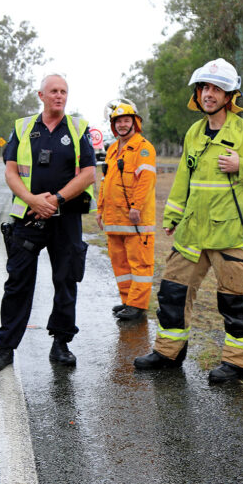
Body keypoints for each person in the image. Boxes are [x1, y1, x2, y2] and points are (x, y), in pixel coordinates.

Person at [133, 58, 243, 383]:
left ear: (229, 96)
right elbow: (184, 179)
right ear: (197, 94)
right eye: (204, 88)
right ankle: (168, 353)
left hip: (231, 235)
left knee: (234, 301)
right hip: (192, 233)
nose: (209, 94)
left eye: (217, 89)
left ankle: (238, 363)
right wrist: (172, 215)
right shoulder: (194, 133)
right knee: (173, 293)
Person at [0, 74, 96, 373]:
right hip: (28, 218)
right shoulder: (23, 127)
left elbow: (88, 173)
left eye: (64, 91)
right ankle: (5, 348)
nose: (59, 96)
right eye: (53, 91)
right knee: (17, 283)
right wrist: (33, 200)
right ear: (41, 95)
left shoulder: (77, 128)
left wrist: (56, 199)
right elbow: (10, 172)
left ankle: (61, 343)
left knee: (66, 280)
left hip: (66, 217)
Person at [96, 100, 157, 321]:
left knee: (139, 263)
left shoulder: (143, 148)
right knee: (120, 263)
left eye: (126, 120)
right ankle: (127, 301)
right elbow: (105, 181)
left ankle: (138, 305)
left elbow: (146, 181)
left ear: (135, 122)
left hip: (135, 219)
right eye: (118, 121)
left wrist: (136, 207)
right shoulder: (113, 149)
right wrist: (100, 210)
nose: (122, 125)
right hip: (114, 219)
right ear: (113, 126)